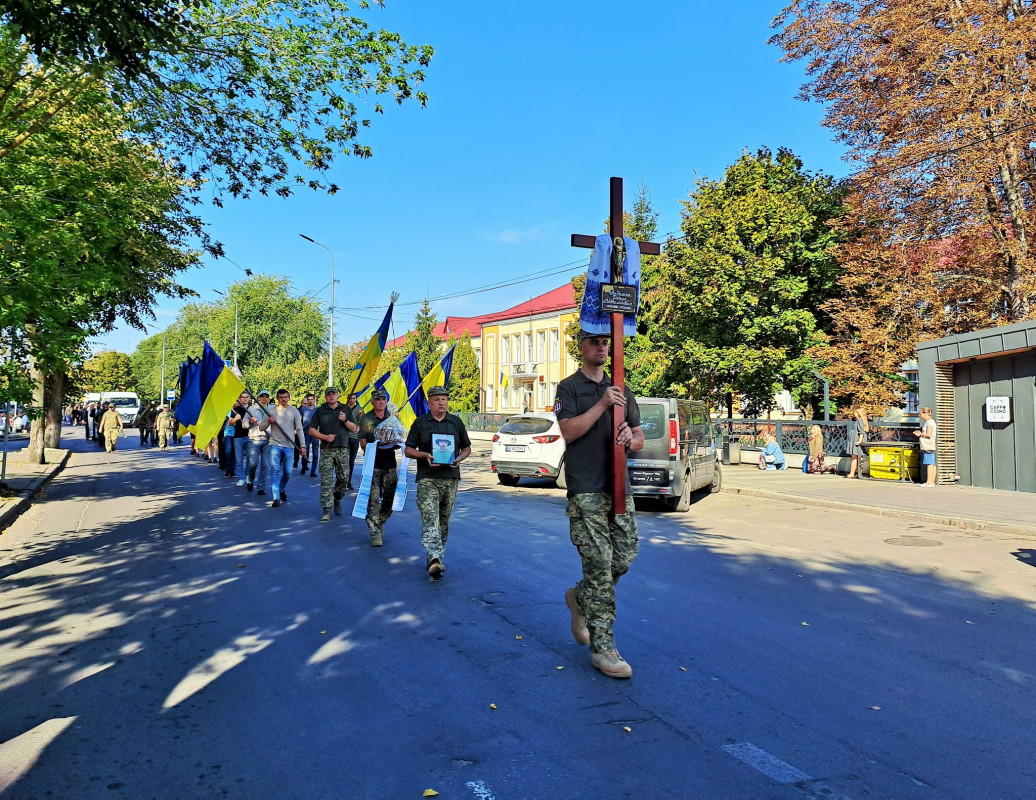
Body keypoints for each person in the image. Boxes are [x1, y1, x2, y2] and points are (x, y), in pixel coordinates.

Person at [555, 330, 644, 680]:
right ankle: (603, 647)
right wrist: (603, 404)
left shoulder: (622, 389)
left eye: (606, 342)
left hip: (619, 486)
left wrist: (630, 439)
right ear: (581, 348)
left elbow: (637, 435)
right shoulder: (570, 387)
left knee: (624, 555)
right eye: (595, 342)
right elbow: (570, 431)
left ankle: (579, 597)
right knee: (600, 564)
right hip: (586, 488)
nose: (602, 347)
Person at [404, 385, 472, 579]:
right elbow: (408, 450)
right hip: (427, 477)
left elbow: (467, 448)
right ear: (429, 403)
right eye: (437, 399)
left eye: (444, 399)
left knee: (443, 520)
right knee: (429, 517)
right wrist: (423, 454)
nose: (441, 403)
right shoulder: (420, 423)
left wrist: (459, 458)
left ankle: (436, 558)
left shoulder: (456, 422)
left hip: (450, 478)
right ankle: (434, 557)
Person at [359, 389, 403, 547]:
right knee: (373, 500)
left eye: (383, 399)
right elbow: (362, 442)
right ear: (372, 402)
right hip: (373, 465)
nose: (381, 402)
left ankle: (380, 521)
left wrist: (395, 441)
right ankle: (375, 533)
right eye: (377, 400)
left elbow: (399, 441)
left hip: (390, 464)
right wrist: (374, 445)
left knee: (390, 499)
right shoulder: (366, 418)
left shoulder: (392, 417)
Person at [309, 387, 359, 521]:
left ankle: (337, 498)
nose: (331, 396)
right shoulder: (321, 410)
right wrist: (324, 437)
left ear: (337, 395)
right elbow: (312, 430)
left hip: (342, 449)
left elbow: (354, 429)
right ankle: (326, 510)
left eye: (333, 394)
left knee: (343, 478)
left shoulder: (345, 409)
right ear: (325, 397)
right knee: (326, 480)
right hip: (326, 449)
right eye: (328, 395)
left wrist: (345, 420)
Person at [259, 388, 305, 508]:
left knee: (288, 472)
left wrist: (303, 446)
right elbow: (261, 427)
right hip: (275, 444)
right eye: (281, 397)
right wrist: (269, 421)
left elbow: (299, 429)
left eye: (285, 397)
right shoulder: (271, 411)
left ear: (288, 397)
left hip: (289, 445)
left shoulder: (294, 411)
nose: (283, 399)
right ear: (277, 398)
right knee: (275, 469)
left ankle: (282, 488)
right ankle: (276, 497)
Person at [243, 389, 272, 495]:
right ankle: (250, 480)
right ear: (258, 398)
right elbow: (244, 424)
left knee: (265, 465)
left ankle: (261, 487)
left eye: (266, 396)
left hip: (268, 440)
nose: (264, 398)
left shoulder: (273, 409)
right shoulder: (252, 409)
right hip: (254, 440)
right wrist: (250, 422)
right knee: (253, 464)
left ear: (269, 398)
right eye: (262, 396)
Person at [229, 391, 252, 485]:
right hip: (238, 437)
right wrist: (235, 419)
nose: (245, 399)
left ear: (250, 398)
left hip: (250, 437)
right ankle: (241, 478)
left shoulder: (252, 409)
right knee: (239, 460)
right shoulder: (235, 409)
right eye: (243, 397)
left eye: (247, 397)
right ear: (239, 399)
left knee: (250, 459)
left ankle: (247, 476)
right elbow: (230, 423)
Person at [914, 406, 937, 486]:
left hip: (927, 444)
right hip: (931, 443)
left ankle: (929, 482)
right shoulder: (932, 422)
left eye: (921, 413)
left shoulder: (929, 423)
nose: (920, 415)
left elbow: (929, 435)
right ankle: (932, 482)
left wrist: (920, 434)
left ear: (925, 413)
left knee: (929, 463)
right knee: (932, 463)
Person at [343, 392, 362, 489]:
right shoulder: (344, 409)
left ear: (356, 399)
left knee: (351, 461)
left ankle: (348, 481)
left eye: (353, 398)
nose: (351, 400)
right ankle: (343, 480)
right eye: (350, 398)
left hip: (354, 438)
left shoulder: (359, 409)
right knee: (344, 460)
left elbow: (362, 423)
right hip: (345, 437)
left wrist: (361, 415)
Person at [297, 393, 318, 475]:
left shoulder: (318, 409)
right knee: (305, 452)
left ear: (314, 400)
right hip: (305, 433)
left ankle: (313, 471)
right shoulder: (303, 409)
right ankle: (304, 466)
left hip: (315, 434)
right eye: (308, 399)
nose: (310, 401)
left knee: (315, 453)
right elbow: (299, 421)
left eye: (311, 399)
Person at [846, 408, 869, 478]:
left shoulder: (859, 420)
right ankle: (858, 473)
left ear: (858, 413)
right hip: (856, 440)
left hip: (856, 440)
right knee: (858, 457)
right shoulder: (863, 420)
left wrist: (859, 441)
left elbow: (861, 432)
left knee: (855, 457)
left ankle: (852, 473)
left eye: (855, 412)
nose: (854, 414)